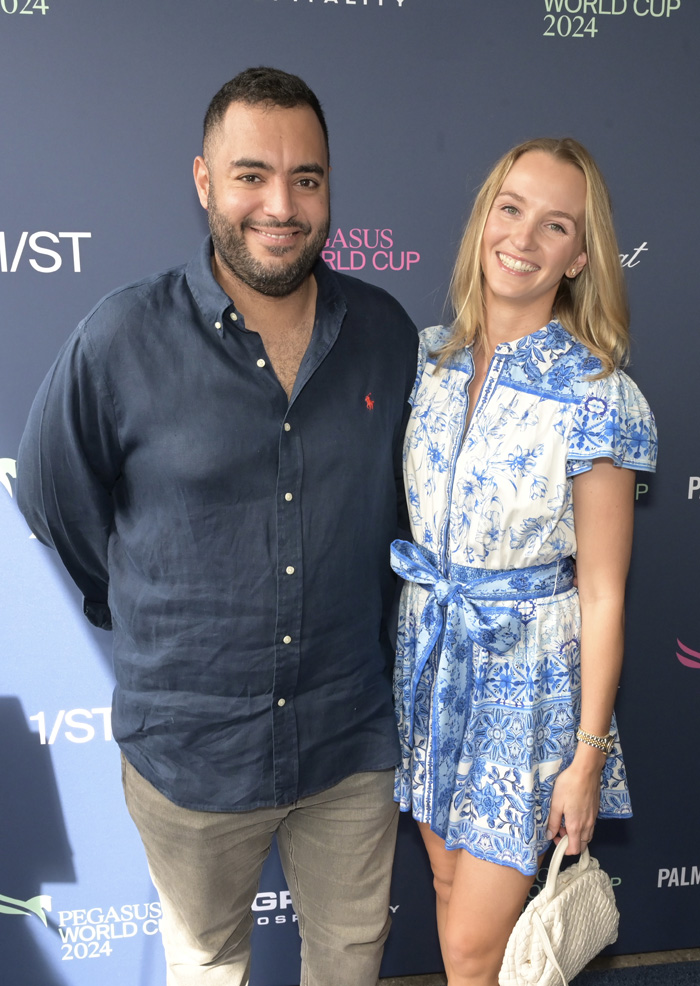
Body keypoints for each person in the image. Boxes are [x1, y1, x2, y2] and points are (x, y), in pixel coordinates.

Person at [17, 67, 418, 986]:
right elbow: (51, 499)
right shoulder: (120, 337)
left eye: (306, 178)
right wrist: (153, 614)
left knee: (352, 959)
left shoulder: (388, 335)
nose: (280, 204)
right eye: (251, 175)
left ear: (327, 190)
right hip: (191, 752)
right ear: (205, 182)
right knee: (206, 966)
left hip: (349, 738)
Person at [389, 137, 657, 986]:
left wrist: (586, 759)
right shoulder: (428, 362)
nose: (524, 238)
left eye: (555, 226)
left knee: (471, 950)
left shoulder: (597, 393)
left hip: (527, 692)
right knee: (442, 885)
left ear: (579, 256)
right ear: (484, 220)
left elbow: (605, 594)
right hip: (428, 670)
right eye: (512, 210)